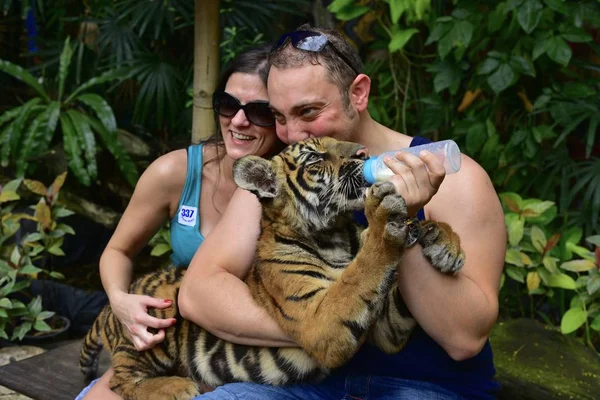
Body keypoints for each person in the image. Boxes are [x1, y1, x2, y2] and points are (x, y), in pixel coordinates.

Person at [178, 25, 506, 399]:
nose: (293, 133)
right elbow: (198, 293)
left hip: (425, 387)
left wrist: (403, 220)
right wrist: (326, 326)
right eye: (280, 117)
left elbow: (464, 338)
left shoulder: (456, 179)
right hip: (308, 386)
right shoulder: (286, 174)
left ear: (358, 93)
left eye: (308, 111)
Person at [76, 42, 284, 400]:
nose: (238, 121)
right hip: (172, 340)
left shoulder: (291, 185)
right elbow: (118, 250)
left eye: (259, 112)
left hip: (249, 352)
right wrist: (119, 301)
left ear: (282, 117)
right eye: (228, 104)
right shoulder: (175, 172)